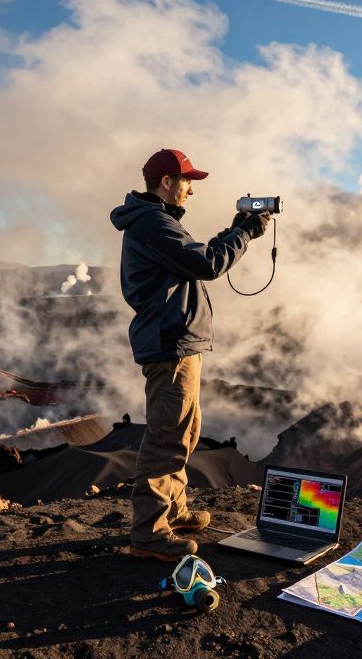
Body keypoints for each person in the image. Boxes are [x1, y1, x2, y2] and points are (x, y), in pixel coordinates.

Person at [109, 148, 271, 561]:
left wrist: (233, 231)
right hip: (171, 343)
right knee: (167, 433)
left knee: (184, 429)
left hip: (176, 340)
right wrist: (245, 234)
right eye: (187, 182)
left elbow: (194, 260)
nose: (190, 191)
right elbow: (207, 264)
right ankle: (149, 532)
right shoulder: (153, 223)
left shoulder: (153, 223)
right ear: (167, 182)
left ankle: (173, 508)